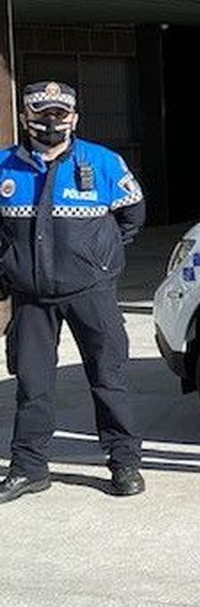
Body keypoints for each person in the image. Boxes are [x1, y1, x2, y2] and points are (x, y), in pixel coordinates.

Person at [0, 81, 146, 503]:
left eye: (60, 114)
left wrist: (102, 260)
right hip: (31, 297)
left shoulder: (102, 162)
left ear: (75, 118)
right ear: (25, 117)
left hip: (91, 293)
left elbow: (132, 216)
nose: (51, 121)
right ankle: (29, 468)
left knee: (109, 377)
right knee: (33, 383)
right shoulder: (6, 166)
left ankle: (123, 463)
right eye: (42, 113)